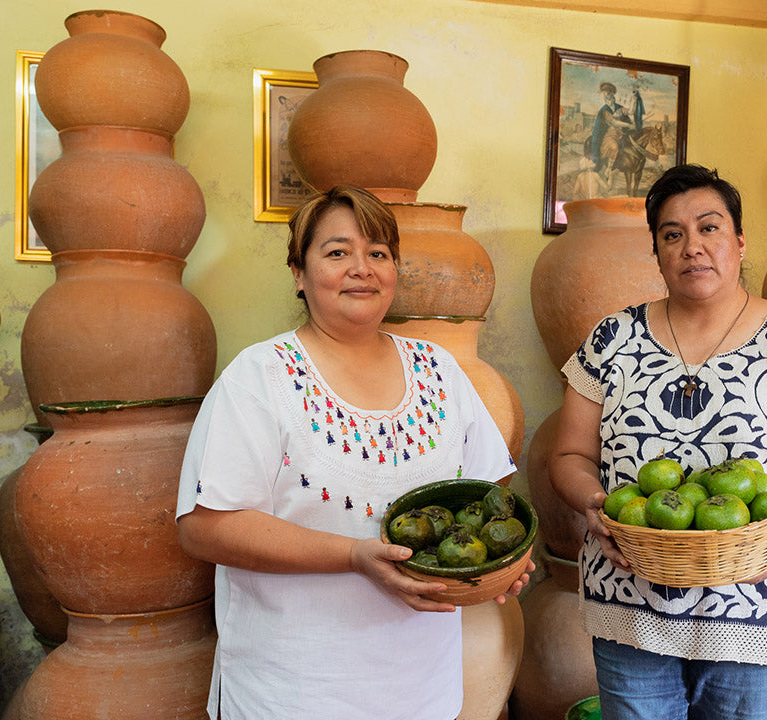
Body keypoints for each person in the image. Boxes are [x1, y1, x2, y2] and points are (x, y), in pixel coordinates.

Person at [176, 184, 528, 720]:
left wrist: (498, 567)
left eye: (378, 253)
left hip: (420, 684)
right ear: (299, 273)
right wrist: (353, 556)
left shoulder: (438, 370)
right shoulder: (260, 376)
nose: (361, 268)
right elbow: (204, 527)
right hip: (294, 689)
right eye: (337, 252)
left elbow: (485, 498)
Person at [550, 164, 767, 720]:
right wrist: (594, 506)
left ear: (739, 242)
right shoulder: (612, 338)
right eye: (672, 234)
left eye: (709, 228)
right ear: (658, 252)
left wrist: (764, 561)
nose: (692, 246)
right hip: (632, 604)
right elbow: (570, 455)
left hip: (756, 615)